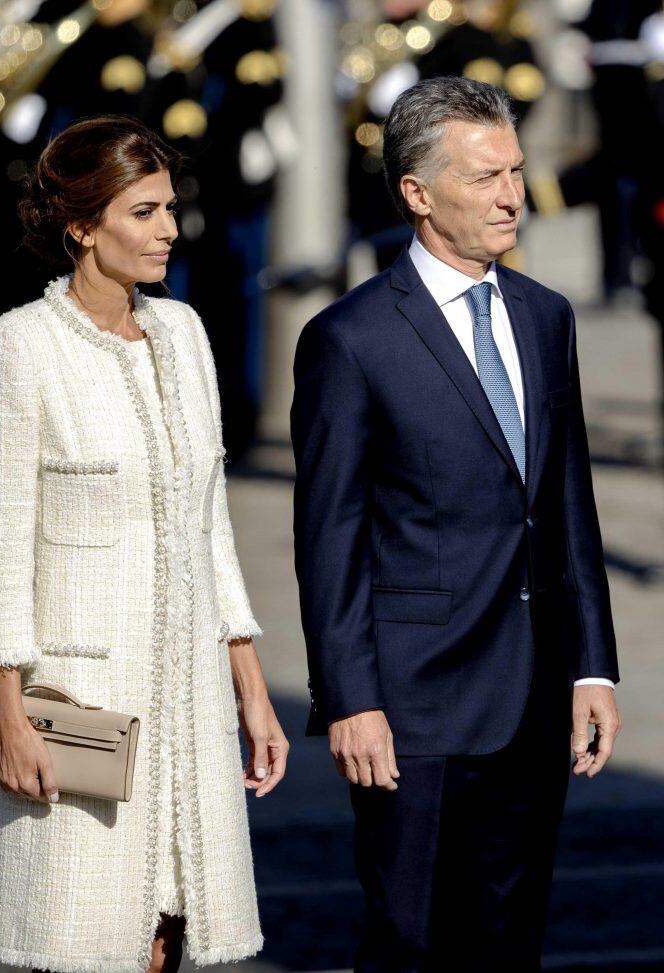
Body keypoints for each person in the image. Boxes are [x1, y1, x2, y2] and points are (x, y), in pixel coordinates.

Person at [291, 77, 621, 972]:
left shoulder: (546, 317)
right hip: (413, 705)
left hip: (534, 693)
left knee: (509, 945)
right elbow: (329, 538)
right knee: (411, 942)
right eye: (484, 178)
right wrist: (350, 697)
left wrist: (593, 663)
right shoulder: (351, 339)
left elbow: (566, 505)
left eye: (514, 170)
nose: (512, 194)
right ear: (418, 193)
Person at [0, 114, 289, 973]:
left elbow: (209, 526)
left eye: (169, 209)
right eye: (142, 212)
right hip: (80, 699)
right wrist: (8, 714)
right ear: (81, 225)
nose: (168, 230)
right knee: (81, 941)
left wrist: (250, 688)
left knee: (172, 936)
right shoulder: (15, 352)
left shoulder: (184, 336)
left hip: (191, 697)